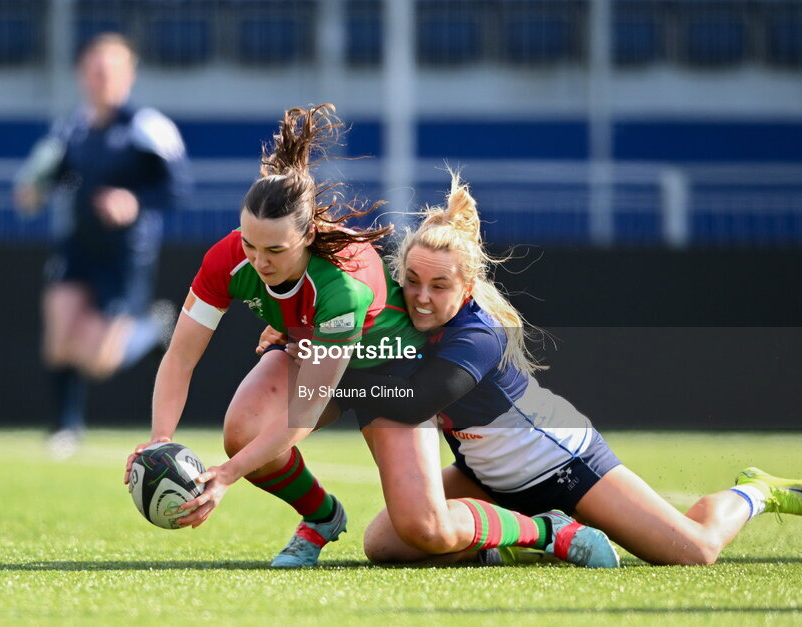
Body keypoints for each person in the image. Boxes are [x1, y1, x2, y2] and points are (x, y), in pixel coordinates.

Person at [126, 105, 619, 570]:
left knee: (424, 529)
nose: (259, 261)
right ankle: (321, 517)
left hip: (388, 371)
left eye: (274, 249)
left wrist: (225, 477)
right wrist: (158, 441)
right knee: (245, 430)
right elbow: (180, 359)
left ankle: (548, 532)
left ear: (308, 236)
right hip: (314, 353)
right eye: (249, 243)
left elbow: (305, 411)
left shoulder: (344, 283)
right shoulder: (227, 259)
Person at [314, 171, 802, 566]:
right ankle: (531, 539)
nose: (422, 297)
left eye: (440, 286)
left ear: (466, 288)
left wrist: (344, 367)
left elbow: (421, 401)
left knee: (694, 549)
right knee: (386, 543)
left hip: (563, 464)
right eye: (412, 281)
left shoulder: (479, 332)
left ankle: (755, 491)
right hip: (487, 476)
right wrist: (301, 337)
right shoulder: (399, 313)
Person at [13, 33, 193, 457]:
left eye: (110, 71)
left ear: (128, 76)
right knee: (58, 334)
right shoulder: (71, 130)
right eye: (94, 70)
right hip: (78, 247)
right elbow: (49, 179)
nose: (100, 79)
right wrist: (33, 192)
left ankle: (153, 330)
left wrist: (134, 201)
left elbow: (179, 186)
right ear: (82, 75)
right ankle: (65, 426)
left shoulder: (146, 127)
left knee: (98, 358)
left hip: (125, 254)